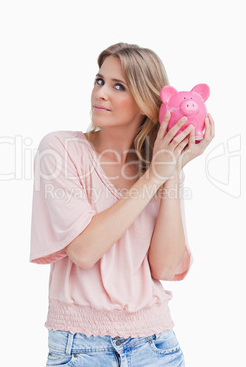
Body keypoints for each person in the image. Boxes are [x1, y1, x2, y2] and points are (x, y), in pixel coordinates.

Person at [30, 42, 215, 366]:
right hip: (80, 349)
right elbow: (84, 251)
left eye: (119, 86)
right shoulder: (59, 149)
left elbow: (165, 268)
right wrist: (155, 175)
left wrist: (170, 172)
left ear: (146, 102)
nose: (101, 94)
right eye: (100, 81)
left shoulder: (158, 167)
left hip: (157, 346)